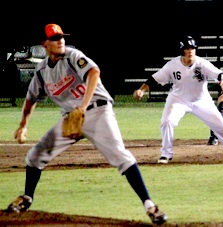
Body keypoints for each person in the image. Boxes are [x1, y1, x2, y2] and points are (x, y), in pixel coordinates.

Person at [6, 24, 167, 225]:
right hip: (71, 120)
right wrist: (23, 125)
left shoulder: (73, 56)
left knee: (121, 156)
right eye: (55, 38)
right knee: (35, 156)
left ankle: (150, 206)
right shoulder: (41, 71)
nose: (60, 41)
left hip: (98, 111)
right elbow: (31, 99)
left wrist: (82, 106)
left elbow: (94, 73)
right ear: (44, 44)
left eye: (61, 37)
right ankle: (27, 198)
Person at [133, 36, 223, 164]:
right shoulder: (172, 65)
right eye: (188, 48)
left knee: (221, 125)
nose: (191, 51)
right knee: (166, 122)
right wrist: (141, 90)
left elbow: (219, 74)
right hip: (178, 99)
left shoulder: (201, 63)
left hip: (201, 100)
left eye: (193, 48)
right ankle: (166, 154)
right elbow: (154, 79)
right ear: (182, 50)